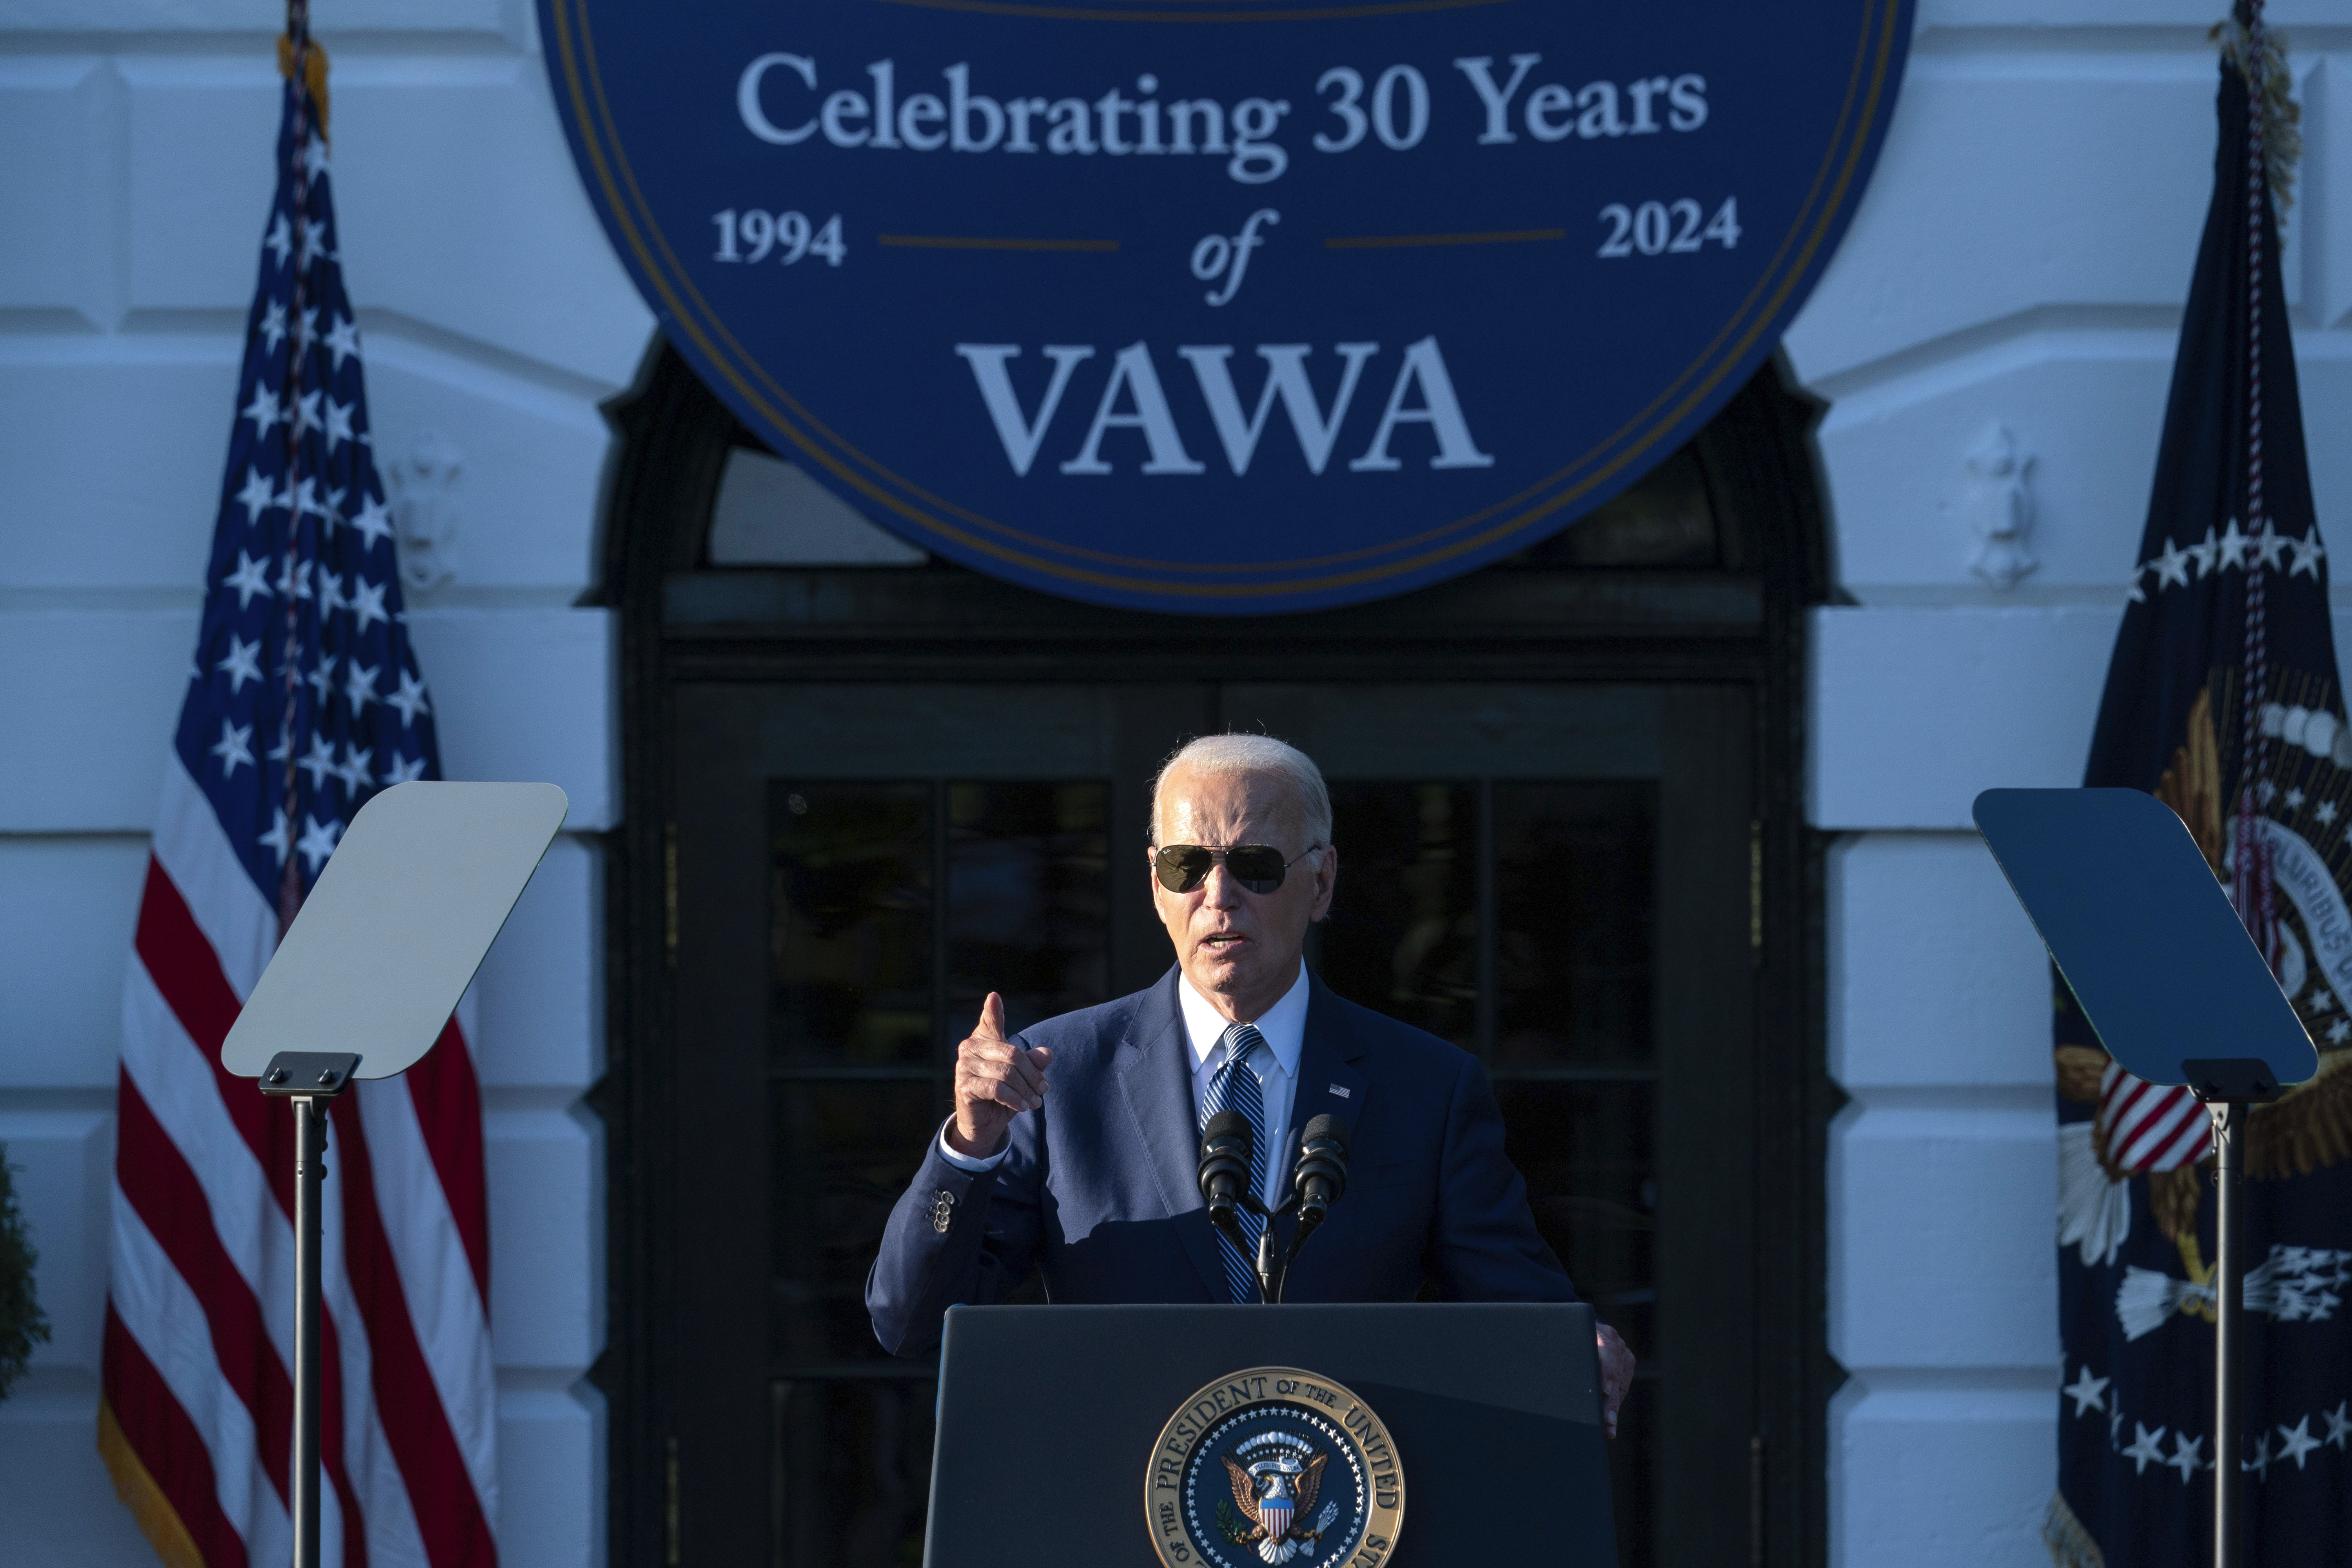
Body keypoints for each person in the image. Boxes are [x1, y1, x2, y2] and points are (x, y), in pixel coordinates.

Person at [864, 733, 1637, 1433]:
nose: (1220, 895)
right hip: (1119, 1506)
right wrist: (969, 1144)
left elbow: (1517, 1307)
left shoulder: (1425, 1085)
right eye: (1187, 864)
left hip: (1344, 1509)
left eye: (1258, 865)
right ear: (1156, 885)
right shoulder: (1056, 1073)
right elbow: (911, 1321)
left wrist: (1574, 1345)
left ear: (1323, 882)